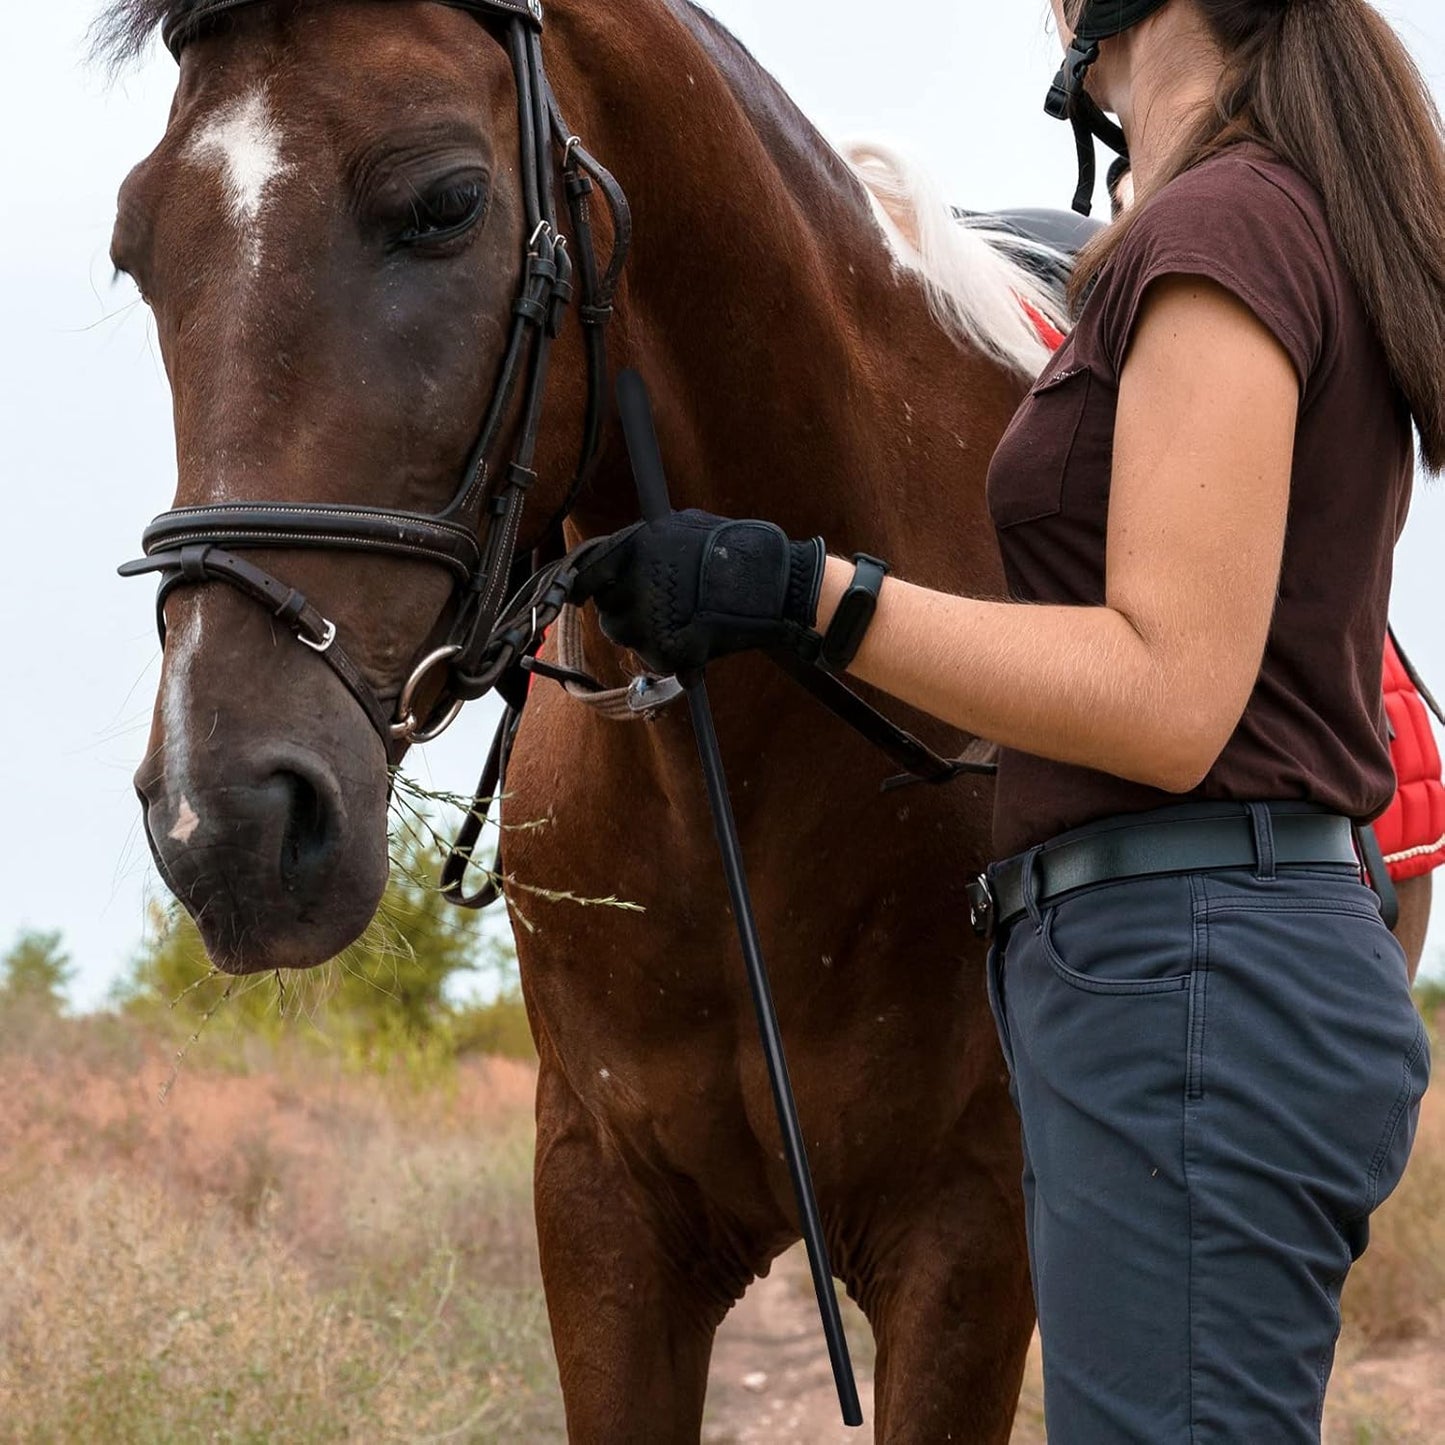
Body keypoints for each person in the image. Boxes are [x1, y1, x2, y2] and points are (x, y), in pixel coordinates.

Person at [571, 0, 1445, 1439]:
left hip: (1191, 973)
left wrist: (800, 592)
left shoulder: (1221, 233)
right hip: (1192, 973)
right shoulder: (1257, 218)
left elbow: (1168, 698)